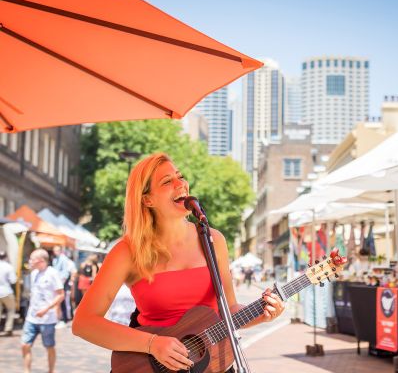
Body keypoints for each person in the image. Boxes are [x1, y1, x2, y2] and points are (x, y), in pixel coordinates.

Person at [72, 153, 284, 372]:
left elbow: (229, 310)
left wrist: (263, 313)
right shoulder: (126, 251)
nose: (180, 183)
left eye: (180, 176)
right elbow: (83, 323)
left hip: (213, 365)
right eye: (167, 181)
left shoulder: (213, 240)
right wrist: (152, 344)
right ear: (147, 200)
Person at [22, 248, 64, 373]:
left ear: (40, 260)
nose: (29, 261)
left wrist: (46, 309)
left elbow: (60, 294)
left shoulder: (52, 273)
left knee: (49, 346)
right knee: (25, 345)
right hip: (32, 317)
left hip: (47, 319)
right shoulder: (34, 273)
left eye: (32, 258)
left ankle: (51, 370)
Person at [51, 245, 76, 327]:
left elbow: (65, 272)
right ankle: (62, 318)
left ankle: (65, 319)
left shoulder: (63, 259)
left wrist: (61, 283)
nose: (56, 252)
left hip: (62, 283)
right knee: (60, 301)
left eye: (57, 250)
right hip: (58, 283)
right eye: (55, 250)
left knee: (63, 301)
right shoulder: (56, 260)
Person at [0, 250, 17, 337]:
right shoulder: (8, 267)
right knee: (11, 310)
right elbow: (13, 280)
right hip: (6, 291)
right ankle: (8, 328)